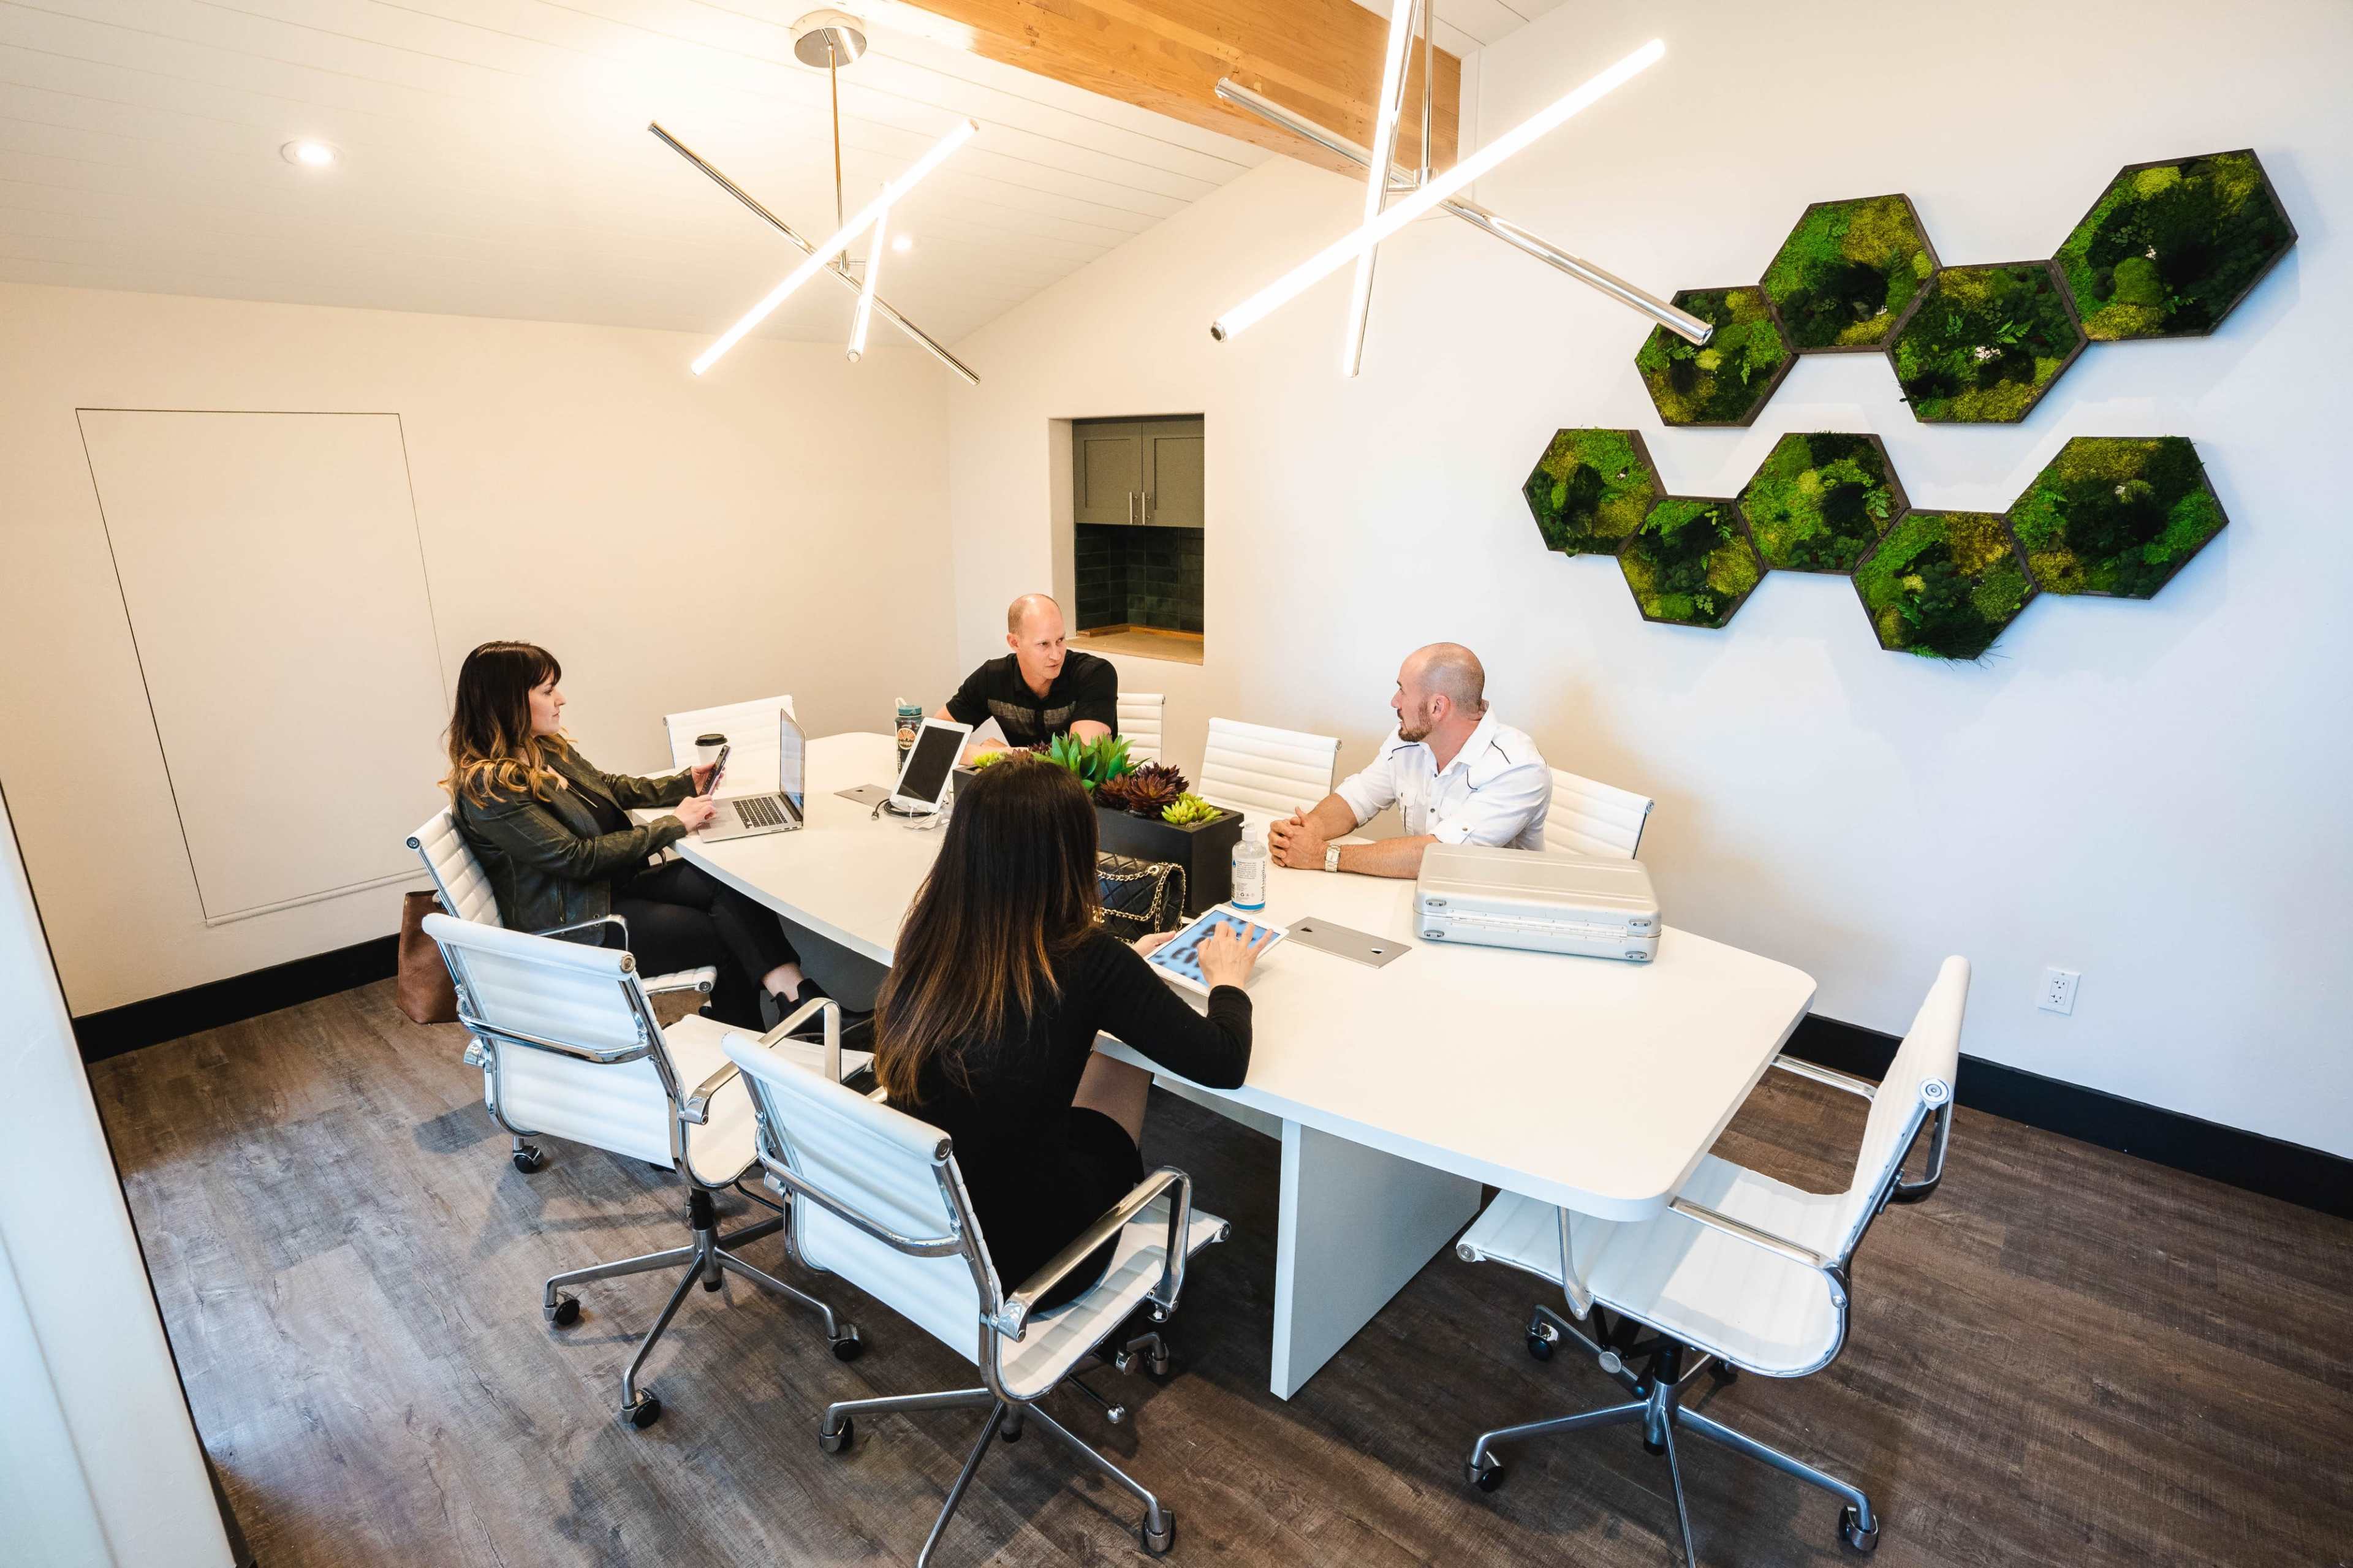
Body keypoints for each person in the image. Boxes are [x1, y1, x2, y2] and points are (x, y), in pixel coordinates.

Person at [873, 757, 1273, 1308]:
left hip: (919, 1219)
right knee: (1128, 1055)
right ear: (1071, 856)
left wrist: (1124, 970)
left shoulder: (929, 934)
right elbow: (1225, 1062)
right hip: (1030, 1255)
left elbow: (1035, 1007)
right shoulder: (1088, 961)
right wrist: (1229, 983)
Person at [442, 641, 847, 1034]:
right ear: (507, 701)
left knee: (729, 885)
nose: (561, 698)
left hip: (610, 886)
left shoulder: (539, 748)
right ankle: (756, 1044)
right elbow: (577, 857)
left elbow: (608, 787)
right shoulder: (490, 788)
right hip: (579, 923)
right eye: (548, 690)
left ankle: (799, 1005)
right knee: (722, 934)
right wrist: (673, 824)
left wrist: (684, 783)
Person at [1267, 643, 1550, 879]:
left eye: (1402, 690)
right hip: (1421, 899)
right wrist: (1304, 834)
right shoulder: (1410, 740)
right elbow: (1358, 797)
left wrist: (1322, 855)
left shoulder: (1518, 769)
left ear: (1437, 707)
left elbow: (1439, 856)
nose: (1394, 702)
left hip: (1493, 918)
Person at [937, 593, 1118, 757]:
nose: (1056, 655)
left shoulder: (1095, 674)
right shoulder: (991, 678)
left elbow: (1081, 764)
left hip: (1087, 793)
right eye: (1044, 644)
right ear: (1015, 643)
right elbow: (934, 740)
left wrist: (1006, 755)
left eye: (1060, 640)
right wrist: (989, 755)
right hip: (1026, 791)